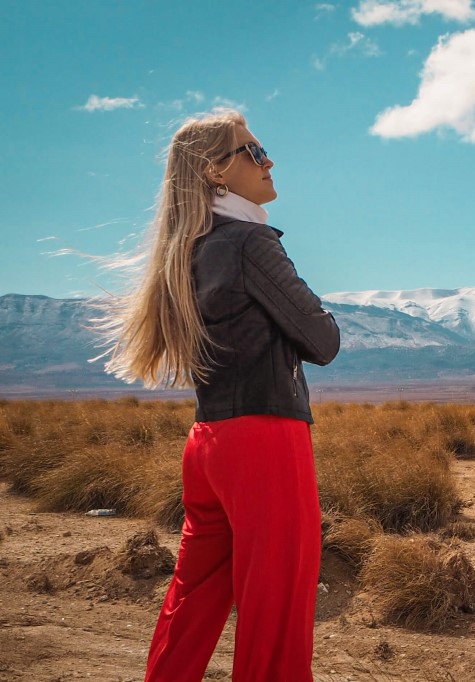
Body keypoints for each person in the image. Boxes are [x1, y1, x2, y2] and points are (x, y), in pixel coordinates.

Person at [96, 109, 340, 681]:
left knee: (194, 595)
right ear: (215, 172)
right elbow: (322, 340)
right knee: (275, 605)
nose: (269, 160)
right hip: (265, 440)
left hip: (208, 444)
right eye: (253, 152)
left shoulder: (190, 250)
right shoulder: (250, 242)